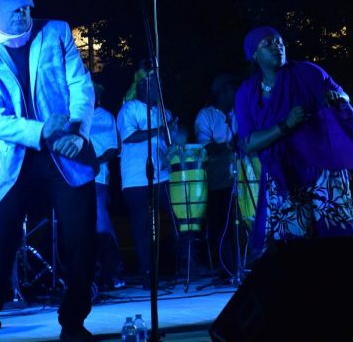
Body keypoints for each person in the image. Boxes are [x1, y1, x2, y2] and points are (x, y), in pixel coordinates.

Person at [0, 0, 97, 342]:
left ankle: (73, 323)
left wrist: (77, 132)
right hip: (21, 156)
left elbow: (80, 86)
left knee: (80, 238)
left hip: (66, 150)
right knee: (1, 235)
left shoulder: (56, 31)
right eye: (13, 8)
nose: (22, 13)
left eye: (25, 5)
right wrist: (42, 131)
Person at [235, 26, 353, 256]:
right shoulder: (247, 93)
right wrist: (285, 125)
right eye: (267, 44)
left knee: (337, 241)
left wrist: (336, 97)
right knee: (293, 248)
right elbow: (248, 143)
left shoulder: (308, 72)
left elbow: (344, 96)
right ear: (253, 54)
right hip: (284, 174)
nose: (277, 46)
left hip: (324, 170)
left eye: (279, 41)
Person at [116, 64, 180, 289]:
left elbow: (171, 143)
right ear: (142, 85)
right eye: (154, 82)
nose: (159, 86)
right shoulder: (129, 109)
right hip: (136, 178)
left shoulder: (164, 112)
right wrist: (161, 130)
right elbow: (129, 137)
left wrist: (177, 135)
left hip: (162, 175)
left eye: (160, 82)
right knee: (142, 226)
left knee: (177, 216)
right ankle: (147, 274)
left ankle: (181, 266)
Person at [194, 73, 240, 277]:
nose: (235, 94)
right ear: (222, 93)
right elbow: (205, 146)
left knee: (243, 221)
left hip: (243, 177)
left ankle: (244, 262)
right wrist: (231, 145)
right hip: (219, 180)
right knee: (223, 225)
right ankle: (227, 267)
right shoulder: (206, 115)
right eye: (231, 90)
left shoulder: (239, 111)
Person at [90, 82, 125, 292]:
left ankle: (115, 272)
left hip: (98, 179)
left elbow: (114, 147)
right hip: (79, 179)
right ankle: (101, 274)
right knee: (93, 227)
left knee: (102, 226)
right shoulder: (75, 116)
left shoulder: (103, 116)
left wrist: (94, 161)